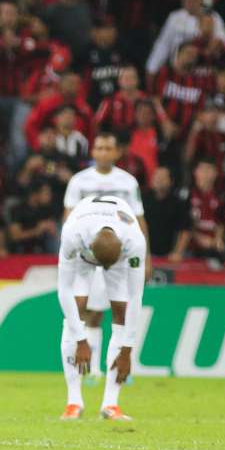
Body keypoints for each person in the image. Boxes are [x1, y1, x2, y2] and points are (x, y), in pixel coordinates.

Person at [63, 131, 150, 378]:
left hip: (121, 251)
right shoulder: (79, 181)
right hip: (87, 252)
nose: (102, 152)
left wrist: (147, 258)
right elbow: (68, 217)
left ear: (116, 152)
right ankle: (91, 370)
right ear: (92, 151)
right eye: (98, 148)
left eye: (107, 148)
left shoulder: (128, 182)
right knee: (88, 309)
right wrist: (69, 250)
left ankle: (117, 363)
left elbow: (138, 220)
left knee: (119, 307)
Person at [57, 194, 146, 421]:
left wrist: (127, 350)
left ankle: (110, 405)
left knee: (121, 313)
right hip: (82, 259)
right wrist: (80, 340)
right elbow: (64, 290)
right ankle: (73, 402)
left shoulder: (134, 242)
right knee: (75, 315)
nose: (102, 271)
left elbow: (136, 296)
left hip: (118, 258)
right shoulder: (72, 235)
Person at [142, 166, 191, 262]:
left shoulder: (178, 203)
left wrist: (178, 252)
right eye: (156, 176)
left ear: (171, 181)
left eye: (163, 177)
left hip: (168, 256)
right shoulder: (142, 199)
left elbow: (185, 230)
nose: (158, 180)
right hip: (144, 254)